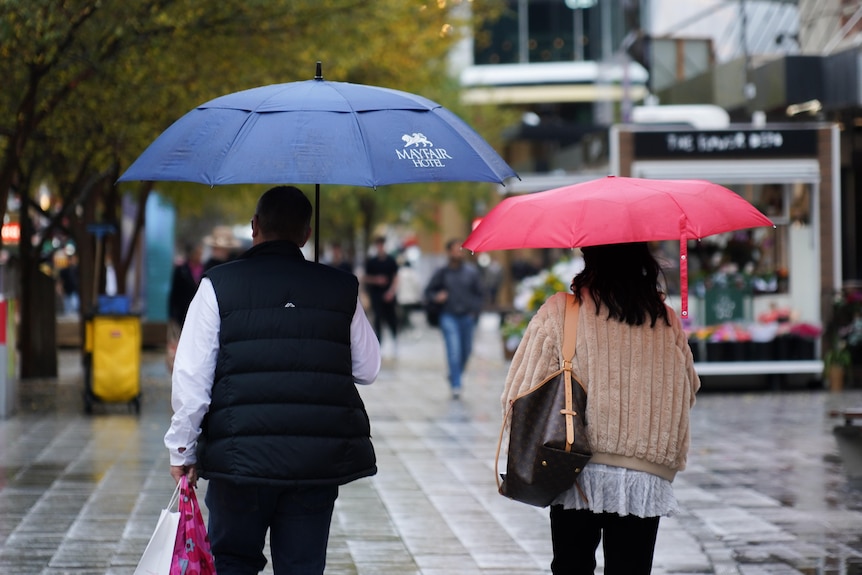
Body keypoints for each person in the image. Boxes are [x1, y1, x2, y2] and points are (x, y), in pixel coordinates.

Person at [164, 185, 381, 575]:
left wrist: (182, 449)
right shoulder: (339, 287)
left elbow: (192, 376)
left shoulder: (219, 285)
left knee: (232, 562)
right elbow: (368, 368)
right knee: (302, 566)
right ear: (306, 235)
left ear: (254, 226)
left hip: (239, 459)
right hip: (314, 461)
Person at [501, 243, 700, 575]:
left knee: (572, 567)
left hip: (574, 467)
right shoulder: (665, 320)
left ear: (589, 257)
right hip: (644, 475)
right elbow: (689, 388)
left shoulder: (561, 312)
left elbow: (519, 391)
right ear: (642, 261)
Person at [424, 238, 485, 399]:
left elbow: (479, 294)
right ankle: (456, 384)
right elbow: (428, 292)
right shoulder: (442, 273)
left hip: (467, 317)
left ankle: (454, 374)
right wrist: (437, 297)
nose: (458, 252)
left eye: (460, 249)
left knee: (466, 351)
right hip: (448, 316)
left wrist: (474, 312)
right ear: (448, 252)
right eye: (455, 249)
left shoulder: (471, 272)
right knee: (454, 350)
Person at [363, 236, 399, 348]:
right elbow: (365, 277)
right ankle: (379, 345)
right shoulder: (372, 262)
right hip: (376, 295)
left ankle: (395, 341)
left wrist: (391, 292)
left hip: (389, 295)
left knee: (391, 318)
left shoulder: (391, 261)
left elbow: (396, 277)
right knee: (377, 319)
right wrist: (376, 280)